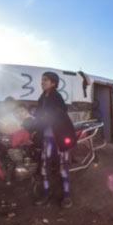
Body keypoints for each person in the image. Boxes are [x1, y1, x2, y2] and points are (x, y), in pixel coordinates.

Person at [34, 72, 77, 209]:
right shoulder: (41, 100)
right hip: (46, 138)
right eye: (42, 79)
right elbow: (39, 118)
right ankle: (46, 193)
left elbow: (60, 114)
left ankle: (66, 195)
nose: (42, 82)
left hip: (59, 138)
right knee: (44, 167)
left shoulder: (57, 98)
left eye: (45, 80)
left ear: (53, 83)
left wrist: (47, 116)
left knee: (62, 167)